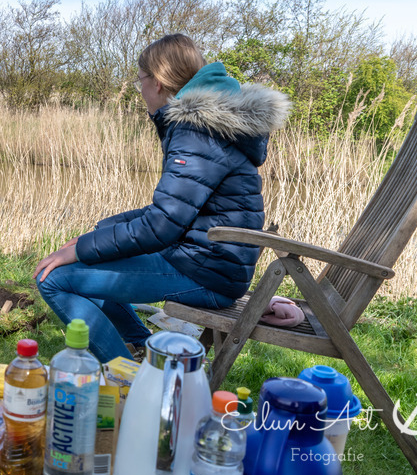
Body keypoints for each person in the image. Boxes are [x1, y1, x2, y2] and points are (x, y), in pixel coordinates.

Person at [34, 34, 291, 363]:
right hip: (209, 263)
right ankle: (140, 347)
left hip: (204, 272)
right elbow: (170, 214)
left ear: (156, 82)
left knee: (53, 279)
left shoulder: (196, 131)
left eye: (140, 79)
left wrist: (81, 248)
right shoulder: (210, 126)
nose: (140, 89)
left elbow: (160, 226)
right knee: (95, 258)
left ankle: (124, 377)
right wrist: (92, 236)